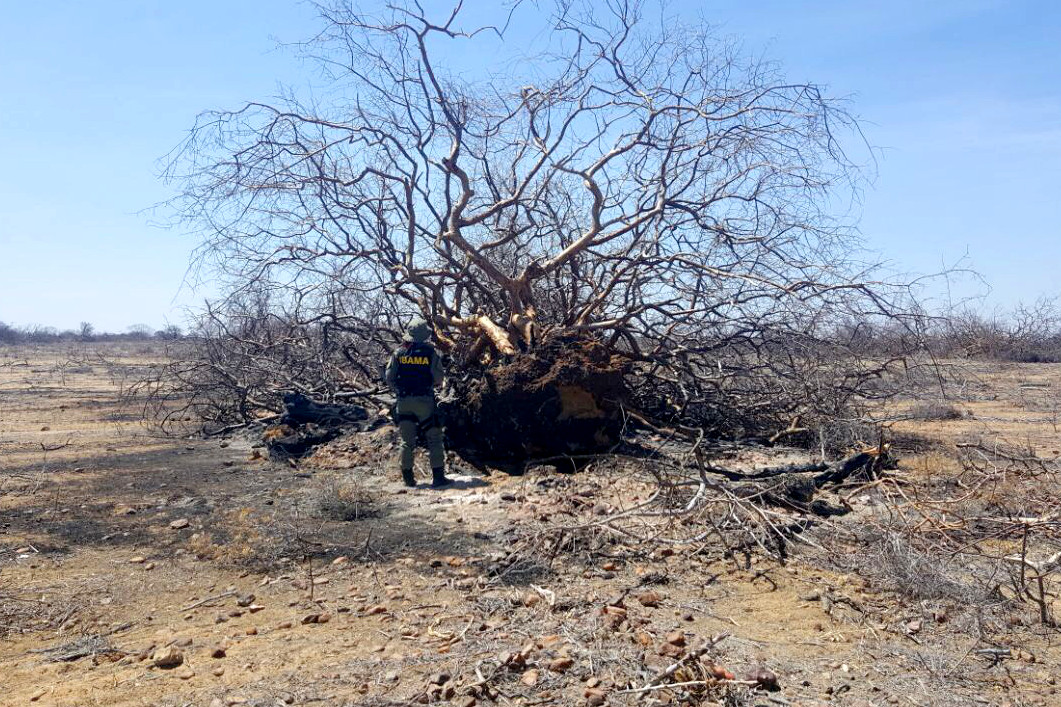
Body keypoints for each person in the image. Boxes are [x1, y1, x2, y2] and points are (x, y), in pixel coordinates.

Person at [385, 318, 451, 488]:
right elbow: (438, 378)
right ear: (424, 335)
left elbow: (389, 378)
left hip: (404, 402)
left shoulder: (399, 352)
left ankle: (408, 480)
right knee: (434, 438)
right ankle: (438, 478)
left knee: (407, 442)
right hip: (424, 401)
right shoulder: (430, 352)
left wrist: (400, 390)